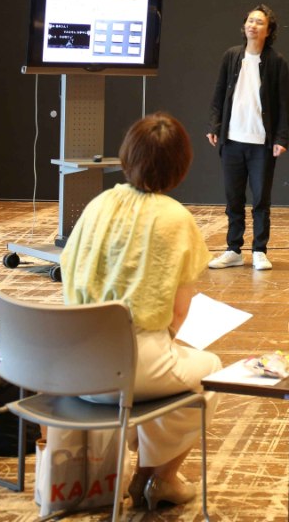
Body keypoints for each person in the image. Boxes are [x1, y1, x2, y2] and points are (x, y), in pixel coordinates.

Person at [60, 112, 221, 510]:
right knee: (210, 371)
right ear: (181, 165)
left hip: (70, 363)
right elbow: (178, 314)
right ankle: (159, 477)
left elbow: (68, 269)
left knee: (163, 377)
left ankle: (148, 473)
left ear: (126, 155)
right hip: (132, 364)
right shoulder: (177, 218)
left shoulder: (98, 204)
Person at [206, 4, 289, 272]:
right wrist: (215, 125)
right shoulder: (232, 56)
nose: (253, 25)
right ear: (244, 26)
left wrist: (281, 138)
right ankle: (233, 249)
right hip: (232, 140)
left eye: (259, 22)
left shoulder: (276, 62)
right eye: (250, 21)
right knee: (233, 199)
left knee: (261, 200)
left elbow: (285, 103)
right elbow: (219, 93)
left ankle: (259, 250)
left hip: (261, 144)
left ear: (268, 30)